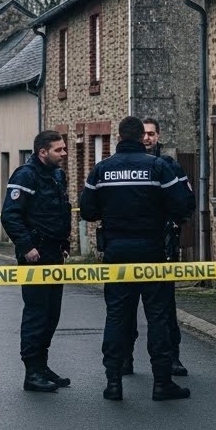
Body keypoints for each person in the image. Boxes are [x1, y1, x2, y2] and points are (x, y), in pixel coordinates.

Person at [80, 116, 193, 401]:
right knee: (157, 316)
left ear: (119, 137)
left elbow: (87, 211)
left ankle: (114, 381)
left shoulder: (102, 169)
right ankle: (162, 382)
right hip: (151, 250)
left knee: (117, 315)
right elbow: (182, 204)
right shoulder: (158, 167)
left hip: (116, 251)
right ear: (141, 136)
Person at [0, 129, 73, 393]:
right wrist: (26, 246)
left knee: (52, 313)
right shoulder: (25, 175)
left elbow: (62, 210)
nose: (64, 154)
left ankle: (42, 366)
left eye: (64, 148)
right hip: (35, 255)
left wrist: (64, 244)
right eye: (59, 150)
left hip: (54, 253)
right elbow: (10, 215)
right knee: (36, 313)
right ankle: (31, 372)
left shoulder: (57, 175)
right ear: (42, 152)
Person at [117, 118, 190, 377]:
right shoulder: (119, 166)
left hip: (162, 244)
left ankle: (172, 358)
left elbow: (185, 203)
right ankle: (125, 358)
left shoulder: (169, 166)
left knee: (164, 309)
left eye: (152, 134)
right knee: (125, 310)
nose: (147, 138)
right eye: (144, 134)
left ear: (158, 136)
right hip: (136, 246)